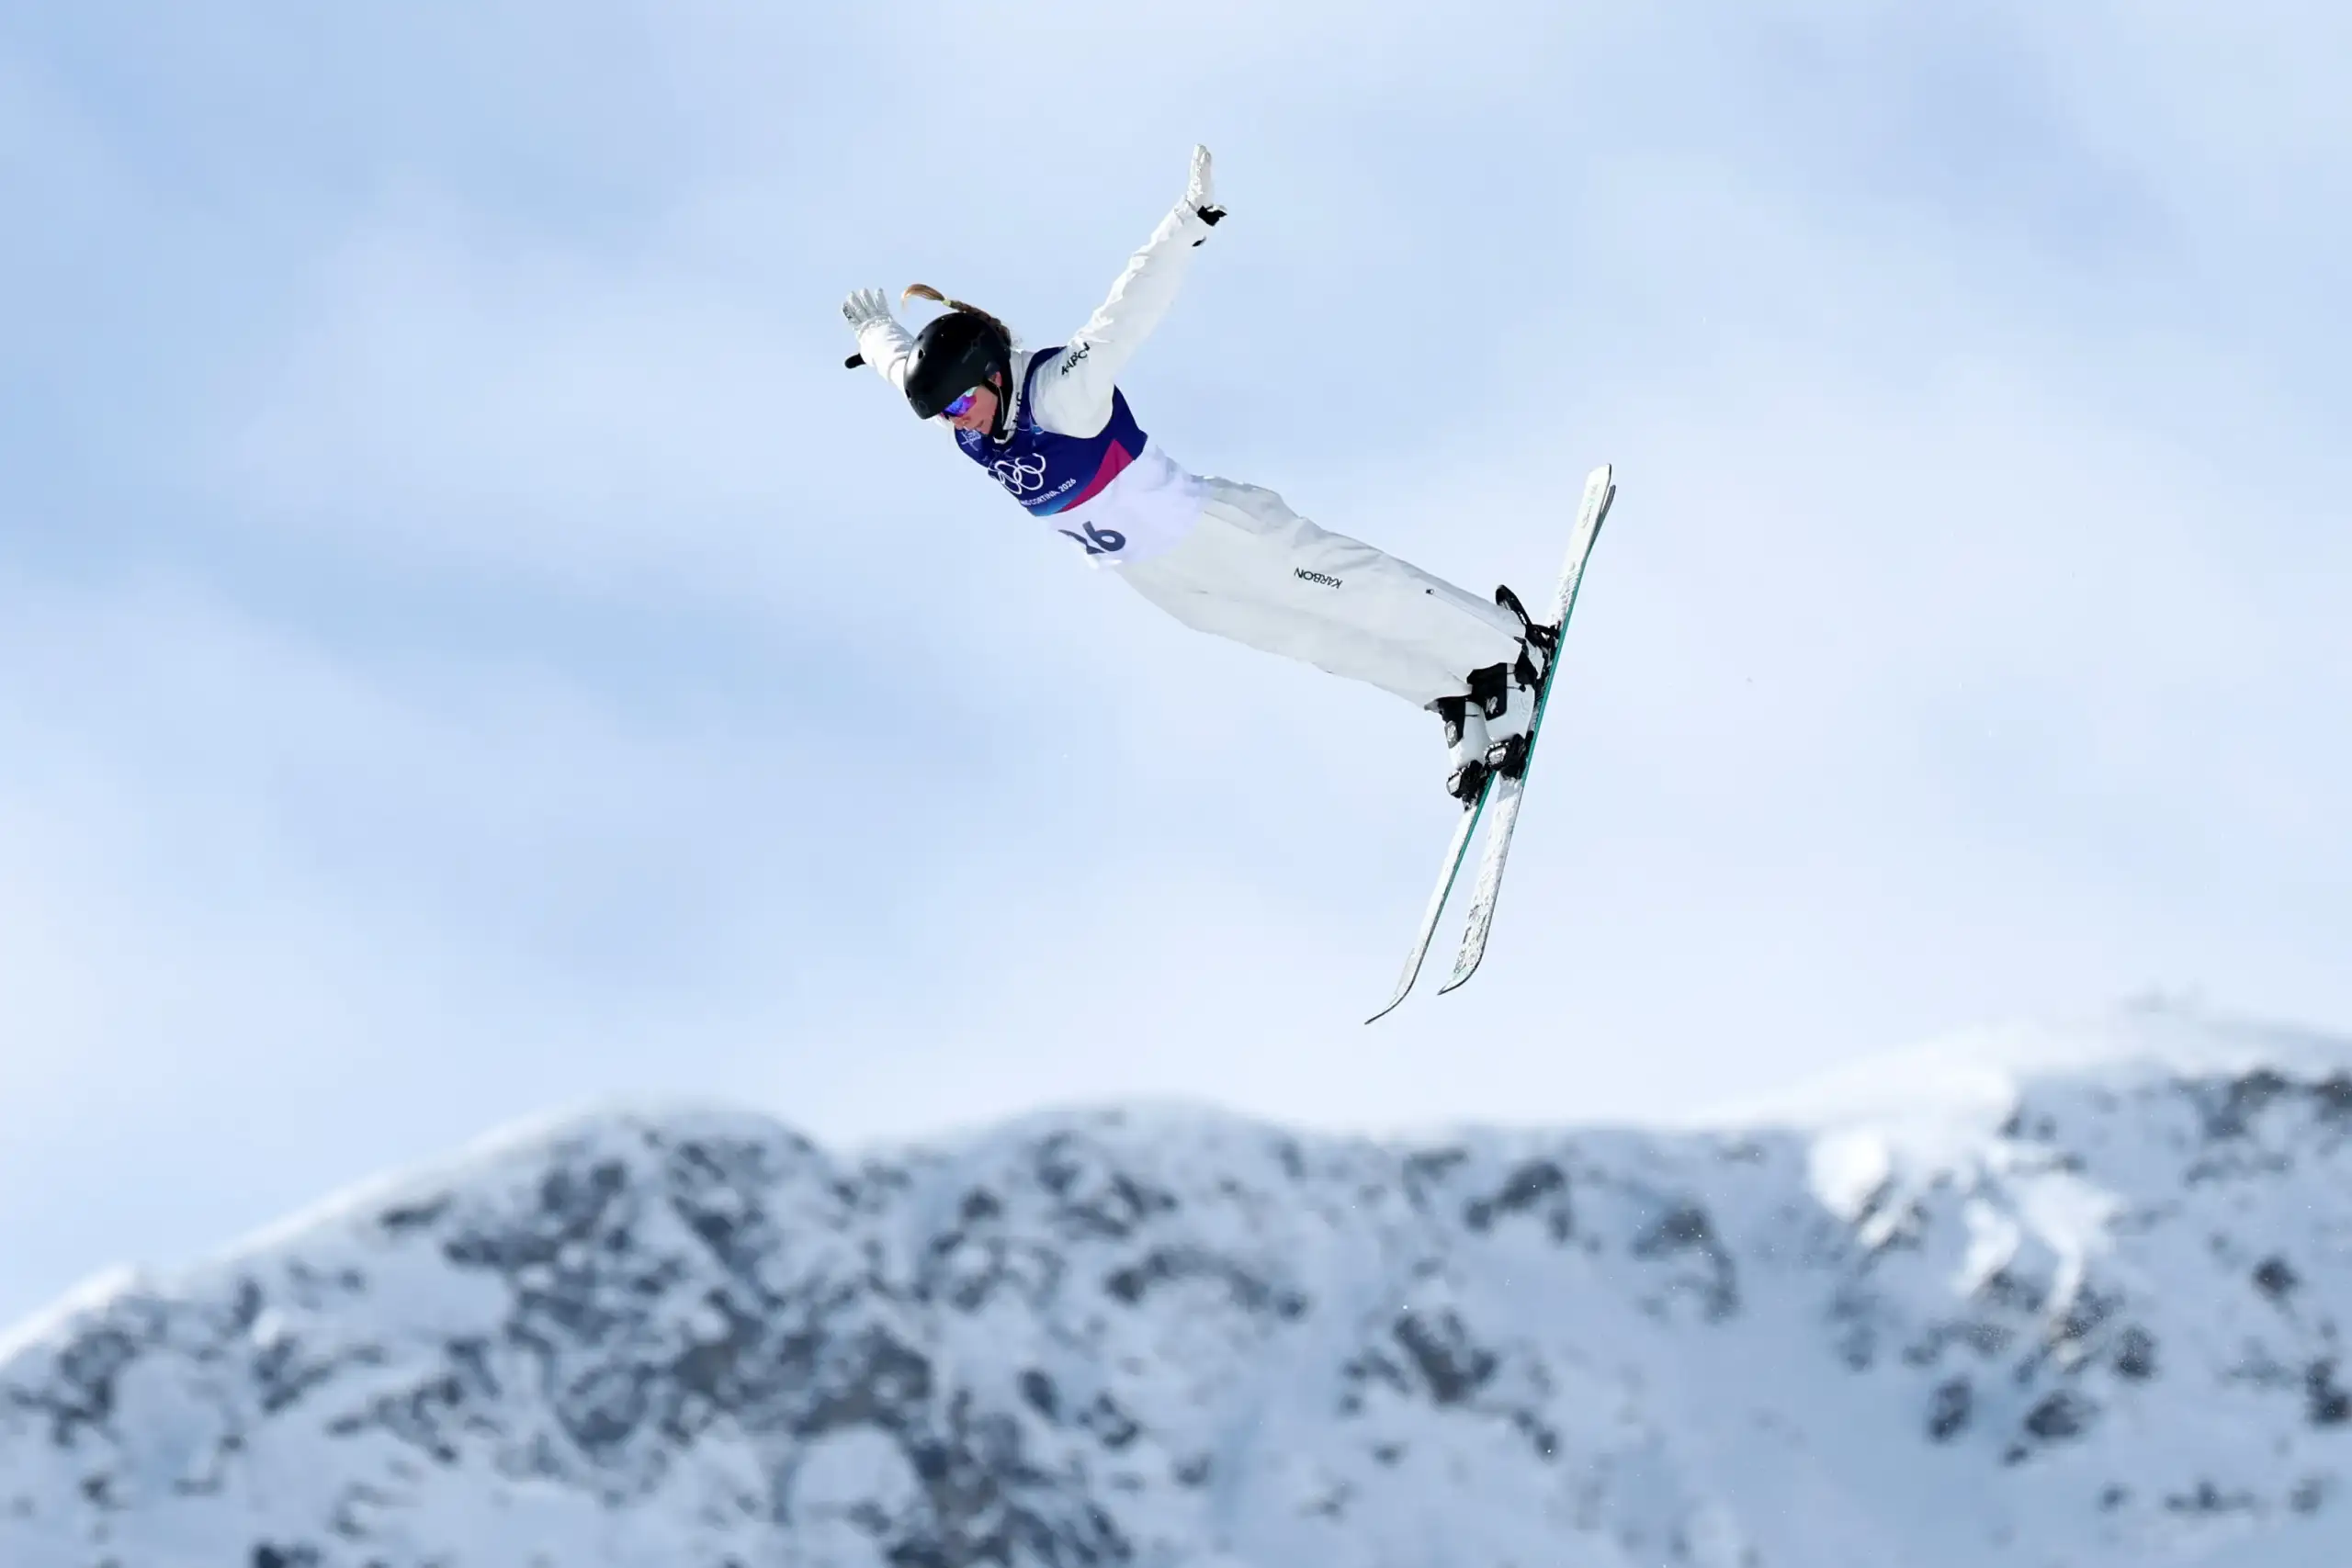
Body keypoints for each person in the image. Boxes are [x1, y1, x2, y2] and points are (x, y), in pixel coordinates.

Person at [841, 145, 1556, 805]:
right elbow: (899, 361)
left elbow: (1126, 313)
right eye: (943, 411)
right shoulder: (962, 419)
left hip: (1215, 532)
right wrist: (873, 335)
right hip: (1160, 576)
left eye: (963, 399)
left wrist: (1188, 222)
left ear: (993, 370)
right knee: (1307, 637)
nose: (958, 418)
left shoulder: (1058, 392)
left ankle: (1508, 647)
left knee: (1351, 589)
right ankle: (1456, 691)